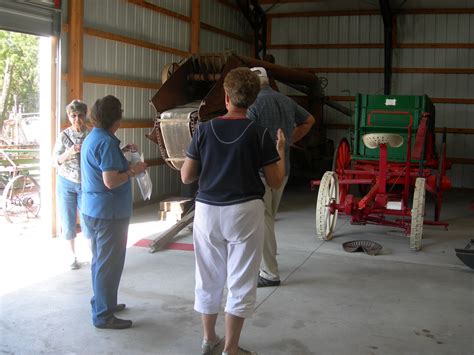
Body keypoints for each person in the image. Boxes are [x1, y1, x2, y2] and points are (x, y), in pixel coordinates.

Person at [181, 67, 286, 355]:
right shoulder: (259, 133)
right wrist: (282, 151)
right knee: (240, 279)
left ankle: (208, 339)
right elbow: (275, 182)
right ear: (251, 100)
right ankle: (231, 348)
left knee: (208, 275)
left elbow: (186, 177)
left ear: (226, 97)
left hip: (208, 211)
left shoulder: (204, 130)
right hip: (244, 211)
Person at [80, 95, 147, 329]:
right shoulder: (107, 142)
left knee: (100, 261)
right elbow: (110, 180)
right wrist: (134, 170)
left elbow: (104, 167)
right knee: (109, 264)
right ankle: (104, 315)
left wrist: (123, 154)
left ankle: (102, 302)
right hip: (109, 214)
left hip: (93, 209)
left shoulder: (96, 137)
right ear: (116, 117)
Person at [247, 67, 316, 288]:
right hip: (283, 168)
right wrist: (289, 140)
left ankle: (269, 273)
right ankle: (268, 260)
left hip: (261, 171)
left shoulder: (253, 104)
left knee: (263, 220)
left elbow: (245, 135)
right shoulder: (285, 100)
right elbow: (309, 120)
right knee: (269, 218)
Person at [52, 99, 90, 270]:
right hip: (66, 182)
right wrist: (68, 152)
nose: (76, 119)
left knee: (88, 219)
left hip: (85, 183)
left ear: (85, 115)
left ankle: (92, 254)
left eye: (80, 115)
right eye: (73, 116)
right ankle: (71, 255)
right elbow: (55, 161)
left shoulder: (91, 135)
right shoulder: (63, 136)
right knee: (67, 220)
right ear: (69, 116)